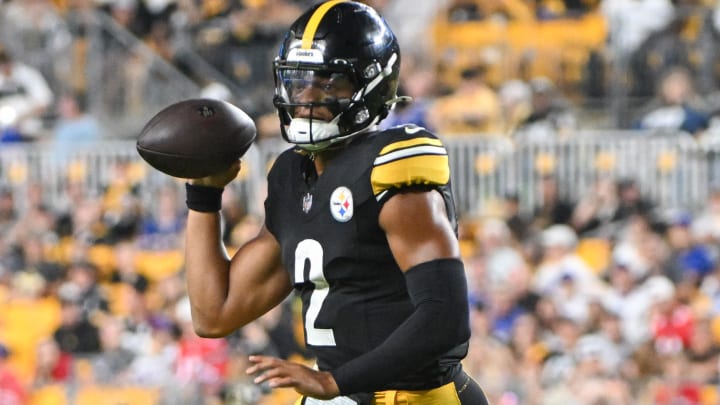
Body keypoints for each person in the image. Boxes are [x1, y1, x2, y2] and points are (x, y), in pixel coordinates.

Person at [181, 1, 488, 404]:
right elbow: (214, 314)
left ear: (371, 86)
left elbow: (445, 320)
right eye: (298, 81)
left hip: (415, 396)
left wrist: (334, 382)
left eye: (327, 82)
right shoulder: (292, 175)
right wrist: (204, 195)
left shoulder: (392, 168)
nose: (306, 97)